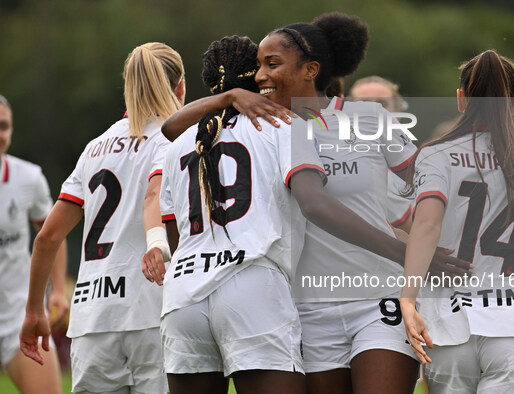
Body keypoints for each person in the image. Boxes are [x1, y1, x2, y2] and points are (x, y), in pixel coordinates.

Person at [159, 13, 471, 394]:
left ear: (310, 70)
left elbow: (435, 184)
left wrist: (504, 229)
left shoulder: (366, 118)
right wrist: (229, 97)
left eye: (271, 64)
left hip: (377, 297)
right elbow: (172, 129)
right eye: (257, 66)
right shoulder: (268, 125)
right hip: (306, 308)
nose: (259, 76)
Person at [20, 42, 185, 393]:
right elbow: (154, 197)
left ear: (128, 86)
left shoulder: (93, 148)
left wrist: (35, 309)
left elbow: (47, 238)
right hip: (150, 312)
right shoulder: (169, 141)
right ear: (180, 87)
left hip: (92, 318)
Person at [400, 50, 514, 393]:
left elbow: (427, 226)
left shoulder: (435, 155)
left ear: (461, 99)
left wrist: (407, 299)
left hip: (450, 327)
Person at [0, 94, 68, 393]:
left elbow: (52, 235)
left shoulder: (29, 178)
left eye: (3, 126)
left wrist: (57, 291)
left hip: (19, 318)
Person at [349, 76, 413, 233]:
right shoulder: (341, 160)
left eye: (381, 104)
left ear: (398, 112)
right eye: (363, 104)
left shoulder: (417, 159)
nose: (372, 112)